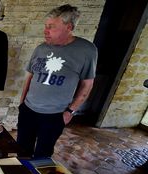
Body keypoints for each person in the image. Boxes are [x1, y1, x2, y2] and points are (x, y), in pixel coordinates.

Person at [17, 4, 97, 158]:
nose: (45, 31)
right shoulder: (41, 48)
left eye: (51, 27)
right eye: (46, 26)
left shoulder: (86, 50)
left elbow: (87, 84)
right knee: (21, 149)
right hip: (28, 110)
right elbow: (30, 77)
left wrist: (70, 111)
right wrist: (22, 104)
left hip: (55, 115)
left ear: (69, 27)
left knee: (43, 154)